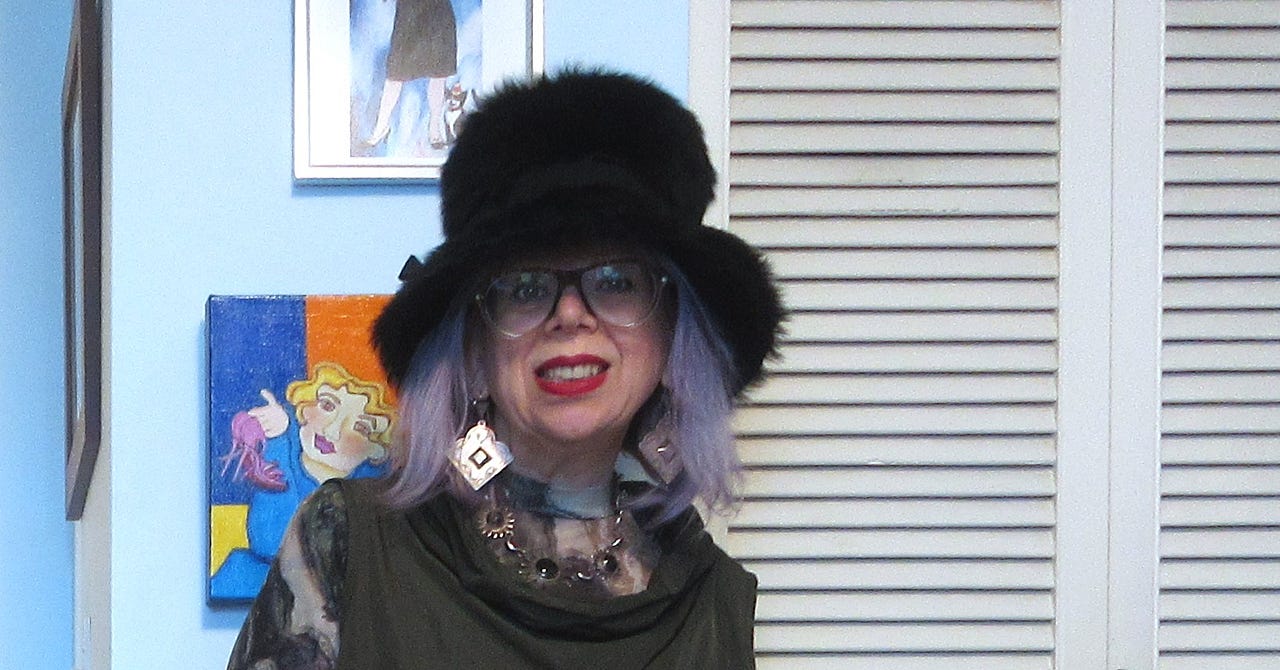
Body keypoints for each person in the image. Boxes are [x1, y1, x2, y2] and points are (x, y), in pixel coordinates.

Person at [227, 69, 784, 669]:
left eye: (617, 281)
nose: (570, 315)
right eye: (525, 287)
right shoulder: (346, 543)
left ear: (673, 337)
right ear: (472, 347)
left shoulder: (713, 600)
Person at [211, 362, 394, 599]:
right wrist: (278, 438)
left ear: (377, 450)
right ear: (304, 408)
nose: (332, 431)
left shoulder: (373, 489)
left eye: (361, 427)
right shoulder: (280, 455)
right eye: (327, 405)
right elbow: (270, 540)